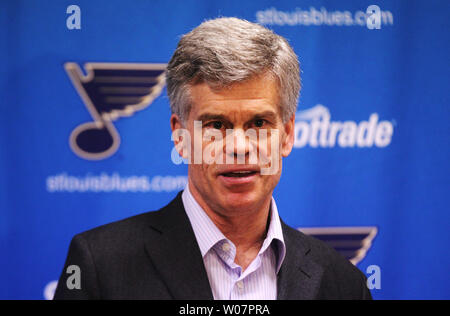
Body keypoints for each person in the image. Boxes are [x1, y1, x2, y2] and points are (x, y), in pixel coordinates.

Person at [54, 17, 371, 300]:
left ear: (287, 135)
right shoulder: (101, 266)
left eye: (258, 123)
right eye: (216, 125)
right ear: (180, 137)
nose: (239, 147)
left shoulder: (342, 283)